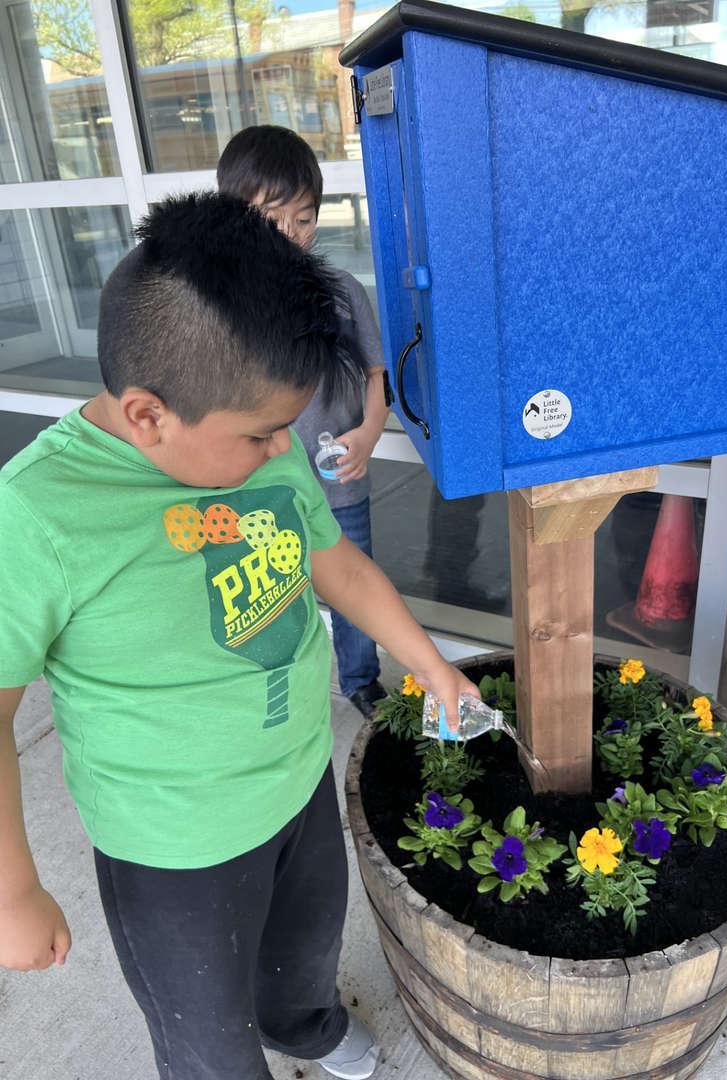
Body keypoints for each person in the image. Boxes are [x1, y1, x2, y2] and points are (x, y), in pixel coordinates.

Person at [0, 192, 477, 1080]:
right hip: (172, 847)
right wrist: (12, 889)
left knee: (304, 946)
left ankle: (301, 1024)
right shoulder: (36, 516)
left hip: (297, 780)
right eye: (260, 436)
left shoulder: (261, 437)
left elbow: (334, 564)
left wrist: (430, 665)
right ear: (147, 413)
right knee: (207, 1041)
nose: (280, 452)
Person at [217, 126, 389, 721]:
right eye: (271, 216)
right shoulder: (220, 302)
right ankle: (283, 691)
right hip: (259, 487)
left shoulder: (341, 291)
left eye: (305, 217)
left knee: (354, 583)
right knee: (269, 599)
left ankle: (362, 681)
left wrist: (367, 433)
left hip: (338, 477)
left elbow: (377, 375)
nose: (291, 233)